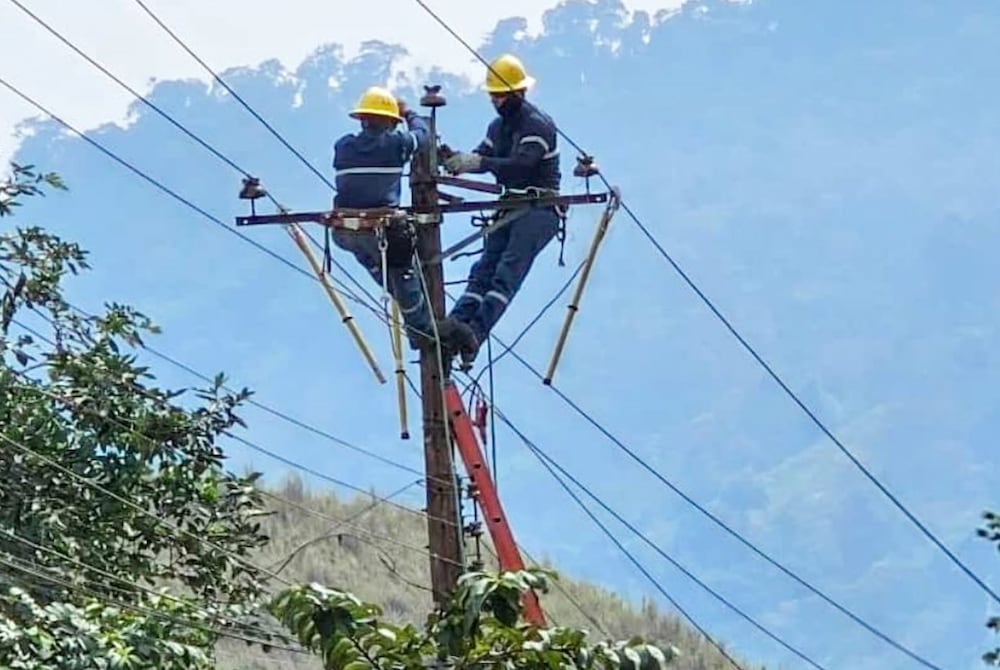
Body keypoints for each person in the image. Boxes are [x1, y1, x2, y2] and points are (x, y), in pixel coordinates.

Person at [439, 54, 562, 366]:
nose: (495, 102)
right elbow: (484, 157)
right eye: (493, 96)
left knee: (505, 273)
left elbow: (520, 168)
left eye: (501, 96)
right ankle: (454, 326)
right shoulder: (498, 127)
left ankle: (474, 334)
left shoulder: (538, 125)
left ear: (518, 93)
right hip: (510, 207)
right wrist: (455, 160)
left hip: (538, 210)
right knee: (482, 272)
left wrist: (479, 162)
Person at [331, 86, 436, 350]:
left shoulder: (343, 145)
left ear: (363, 119)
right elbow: (423, 137)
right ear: (390, 122)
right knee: (405, 274)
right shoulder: (396, 143)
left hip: (346, 233)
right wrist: (410, 113)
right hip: (381, 232)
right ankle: (424, 334)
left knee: (383, 272)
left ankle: (412, 314)